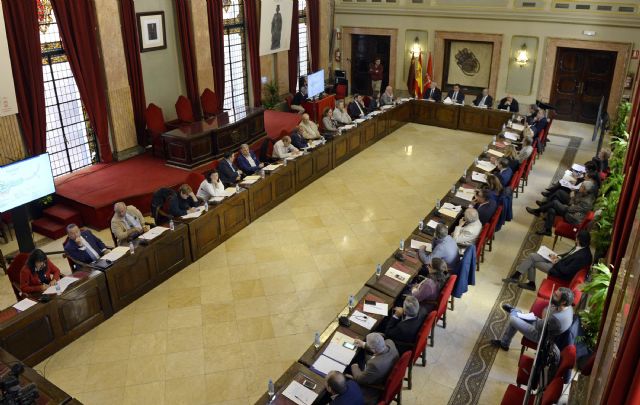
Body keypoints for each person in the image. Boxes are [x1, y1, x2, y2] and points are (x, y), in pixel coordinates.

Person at [503, 230, 592, 291]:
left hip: (559, 272)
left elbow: (566, 271)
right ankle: (516, 276)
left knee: (533, 262)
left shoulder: (582, 257)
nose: (575, 239)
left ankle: (530, 284)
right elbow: (567, 255)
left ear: (579, 240)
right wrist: (558, 257)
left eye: (576, 238)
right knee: (532, 256)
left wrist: (557, 262)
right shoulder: (580, 247)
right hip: (559, 263)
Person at [491, 287, 575, 351]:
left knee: (513, 319)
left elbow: (539, 325)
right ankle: (505, 343)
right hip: (543, 324)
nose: (553, 295)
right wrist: (546, 314)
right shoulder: (568, 307)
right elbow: (547, 309)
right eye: (554, 293)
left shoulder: (556, 319)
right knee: (518, 317)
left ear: (563, 302)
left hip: (540, 335)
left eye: (556, 296)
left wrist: (546, 314)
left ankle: (514, 312)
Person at [526, 181, 596, 236]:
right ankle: (547, 231)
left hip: (573, 218)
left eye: (582, 186)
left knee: (555, 203)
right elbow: (572, 199)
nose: (580, 187)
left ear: (585, 189)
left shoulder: (586, 202)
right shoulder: (582, 193)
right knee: (552, 209)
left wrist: (566, 205)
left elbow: (570, 209)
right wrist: (571, 204)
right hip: (571, 210)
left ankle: (537, 211)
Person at [350, 333, 398, 404]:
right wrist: (363, 344)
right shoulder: (390, 342)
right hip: (385, 369)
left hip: (372, 388)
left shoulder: (374, 365)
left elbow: (360, 379)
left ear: (373, 349)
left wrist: (354, 366)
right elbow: (378, 347)